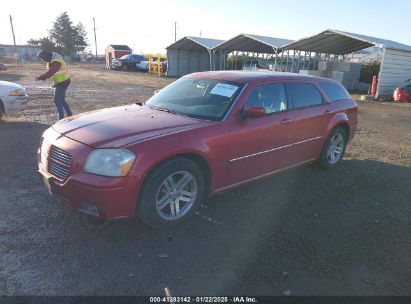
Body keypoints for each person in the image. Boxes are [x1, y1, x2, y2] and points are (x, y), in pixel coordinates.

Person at [35, 50, 72, 120]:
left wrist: (40, 77)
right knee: (62, 100)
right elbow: (52, 72)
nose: (43, 60)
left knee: (57, 100)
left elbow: (51, 71)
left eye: (43, 58)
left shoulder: (56, 61)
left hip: (63, 83)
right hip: (62, 82)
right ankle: (69, 114)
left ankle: (61, 118)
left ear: (46, 56)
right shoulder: (53, 60)